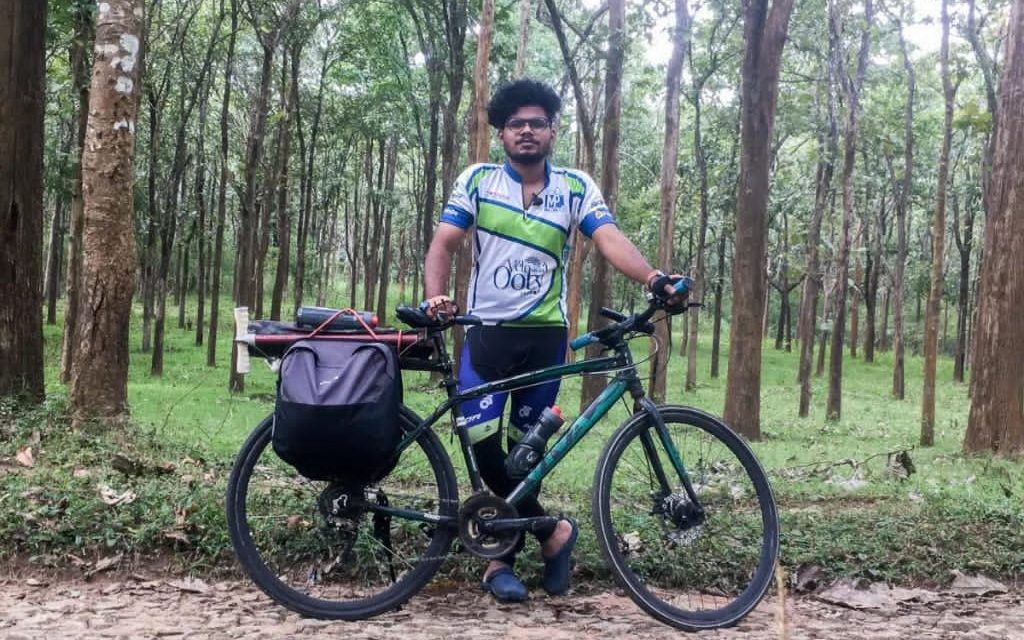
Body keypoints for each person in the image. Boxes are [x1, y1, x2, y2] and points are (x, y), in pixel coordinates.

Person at [421, 79, 685, 603]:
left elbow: (608, 238)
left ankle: (498, 560)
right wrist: (435, 297)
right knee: (483, 442)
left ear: (552, 132)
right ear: (501, 135)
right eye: (516, 124)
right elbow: (443, 244)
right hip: (486, 334)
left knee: (529, 453)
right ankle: (552, 533)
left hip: (545, 338)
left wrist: (653, 278)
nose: (526, 131)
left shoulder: (575, 187)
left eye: (536, 123)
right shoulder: (476, 182)